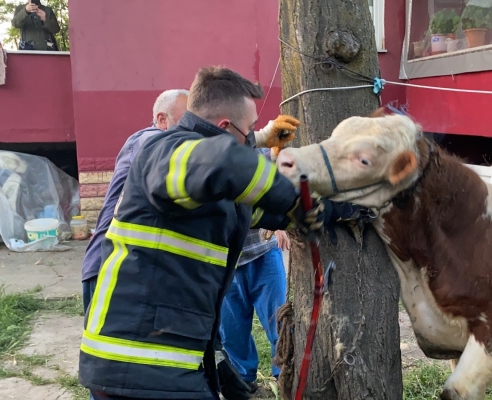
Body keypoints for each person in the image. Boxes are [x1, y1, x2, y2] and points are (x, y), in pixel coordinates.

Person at [78, 66, 361, 400]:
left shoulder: (209, 185)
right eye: (251, 130)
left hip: (170, 364)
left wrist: (337, 211)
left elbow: (264, 210)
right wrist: (298, 201)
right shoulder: (165, 152)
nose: (255, 138)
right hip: (137, 362)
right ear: (225, 128)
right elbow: (222, 160)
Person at [81, 89, 190, 315]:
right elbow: (182, 154)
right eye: (187, 121)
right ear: (162, 119)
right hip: (110, 267)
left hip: (137, 270)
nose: (193, 131)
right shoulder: (146, 141)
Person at [220, 148, 291, 391]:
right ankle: (244, 381)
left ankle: (285, 377)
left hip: (263, 253)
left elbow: (277, 183)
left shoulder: (258, 149)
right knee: (232, 330)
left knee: (279, 322)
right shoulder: (207, 151)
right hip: (226, 262)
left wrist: (279, 222)